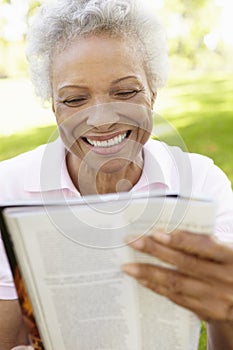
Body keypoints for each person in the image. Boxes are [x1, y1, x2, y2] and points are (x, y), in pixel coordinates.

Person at [0, 0, 232, 349]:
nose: (102, 120)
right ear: (53, 107)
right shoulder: (8, 187)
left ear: (152, 92)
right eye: (75, 100)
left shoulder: (200, 181)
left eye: (125, 92)